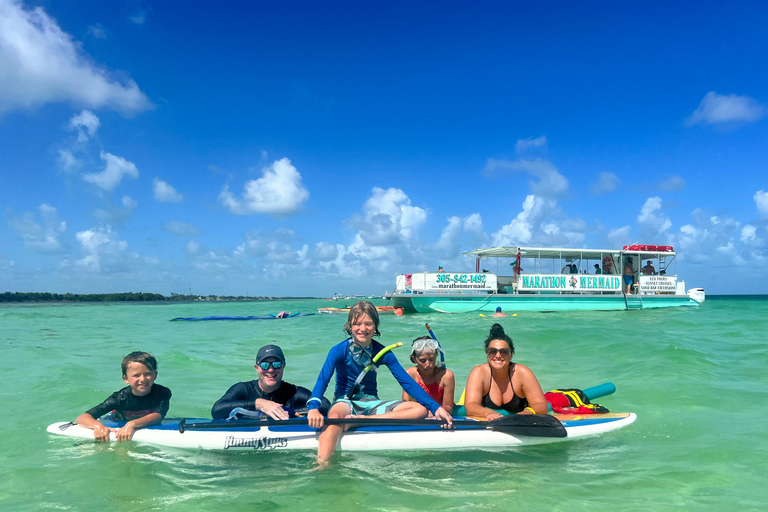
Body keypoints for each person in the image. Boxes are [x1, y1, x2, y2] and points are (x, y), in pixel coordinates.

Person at [306, 301, 453, 464]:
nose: (363, 329)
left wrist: (435, 407)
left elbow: (407, 383)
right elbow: (322, 380)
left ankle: (361, 421)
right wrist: (313, 408)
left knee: (419, 409)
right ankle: (322, 464)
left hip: (373, 403)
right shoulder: (338, 350)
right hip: (346, 402)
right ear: (349, 325)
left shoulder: (384, 353)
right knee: (335, 417)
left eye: (368, 323)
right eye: (357, 323)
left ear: (376, 326)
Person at [211, 344, 330, 420]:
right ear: (256, 368)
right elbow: (217, 410)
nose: (271, 369)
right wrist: (259, 404)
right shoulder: (243, 389)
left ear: (283, 366)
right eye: (265, 365)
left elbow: (326, 406)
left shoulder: (293, 392)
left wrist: (287, 412)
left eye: (277, 364)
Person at [76, 351, 172, 442]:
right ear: (126, 379)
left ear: (155, 375)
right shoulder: (119, 398)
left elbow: (158, 416)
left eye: (148, 374)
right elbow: (83, 418)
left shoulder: (162, 393)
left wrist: (132, 424)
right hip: (115, 420)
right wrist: (97, 426)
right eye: (136, 375)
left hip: (132, 423)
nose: (142, 379)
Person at [463, 324, 547, 420]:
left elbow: (541, 405)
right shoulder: (479, 372)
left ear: (512, 354)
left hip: (518, 421)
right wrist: (488, 412)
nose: (498, 355)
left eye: (504, 351)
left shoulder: (522, 372)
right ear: (487, 353)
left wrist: (526, 413)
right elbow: (470, 406)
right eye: (492, 351)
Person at [401, 336, 455, 415]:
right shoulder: (409, 374)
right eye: (422, 361)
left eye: (431, 359)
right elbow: (405, 404)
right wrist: (425, 412)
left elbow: (448, 408)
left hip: (439, 414)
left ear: (436, 355)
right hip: (417, 414)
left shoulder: (446, 376)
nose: (428, 365)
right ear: (414, 359)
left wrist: (432, 412)